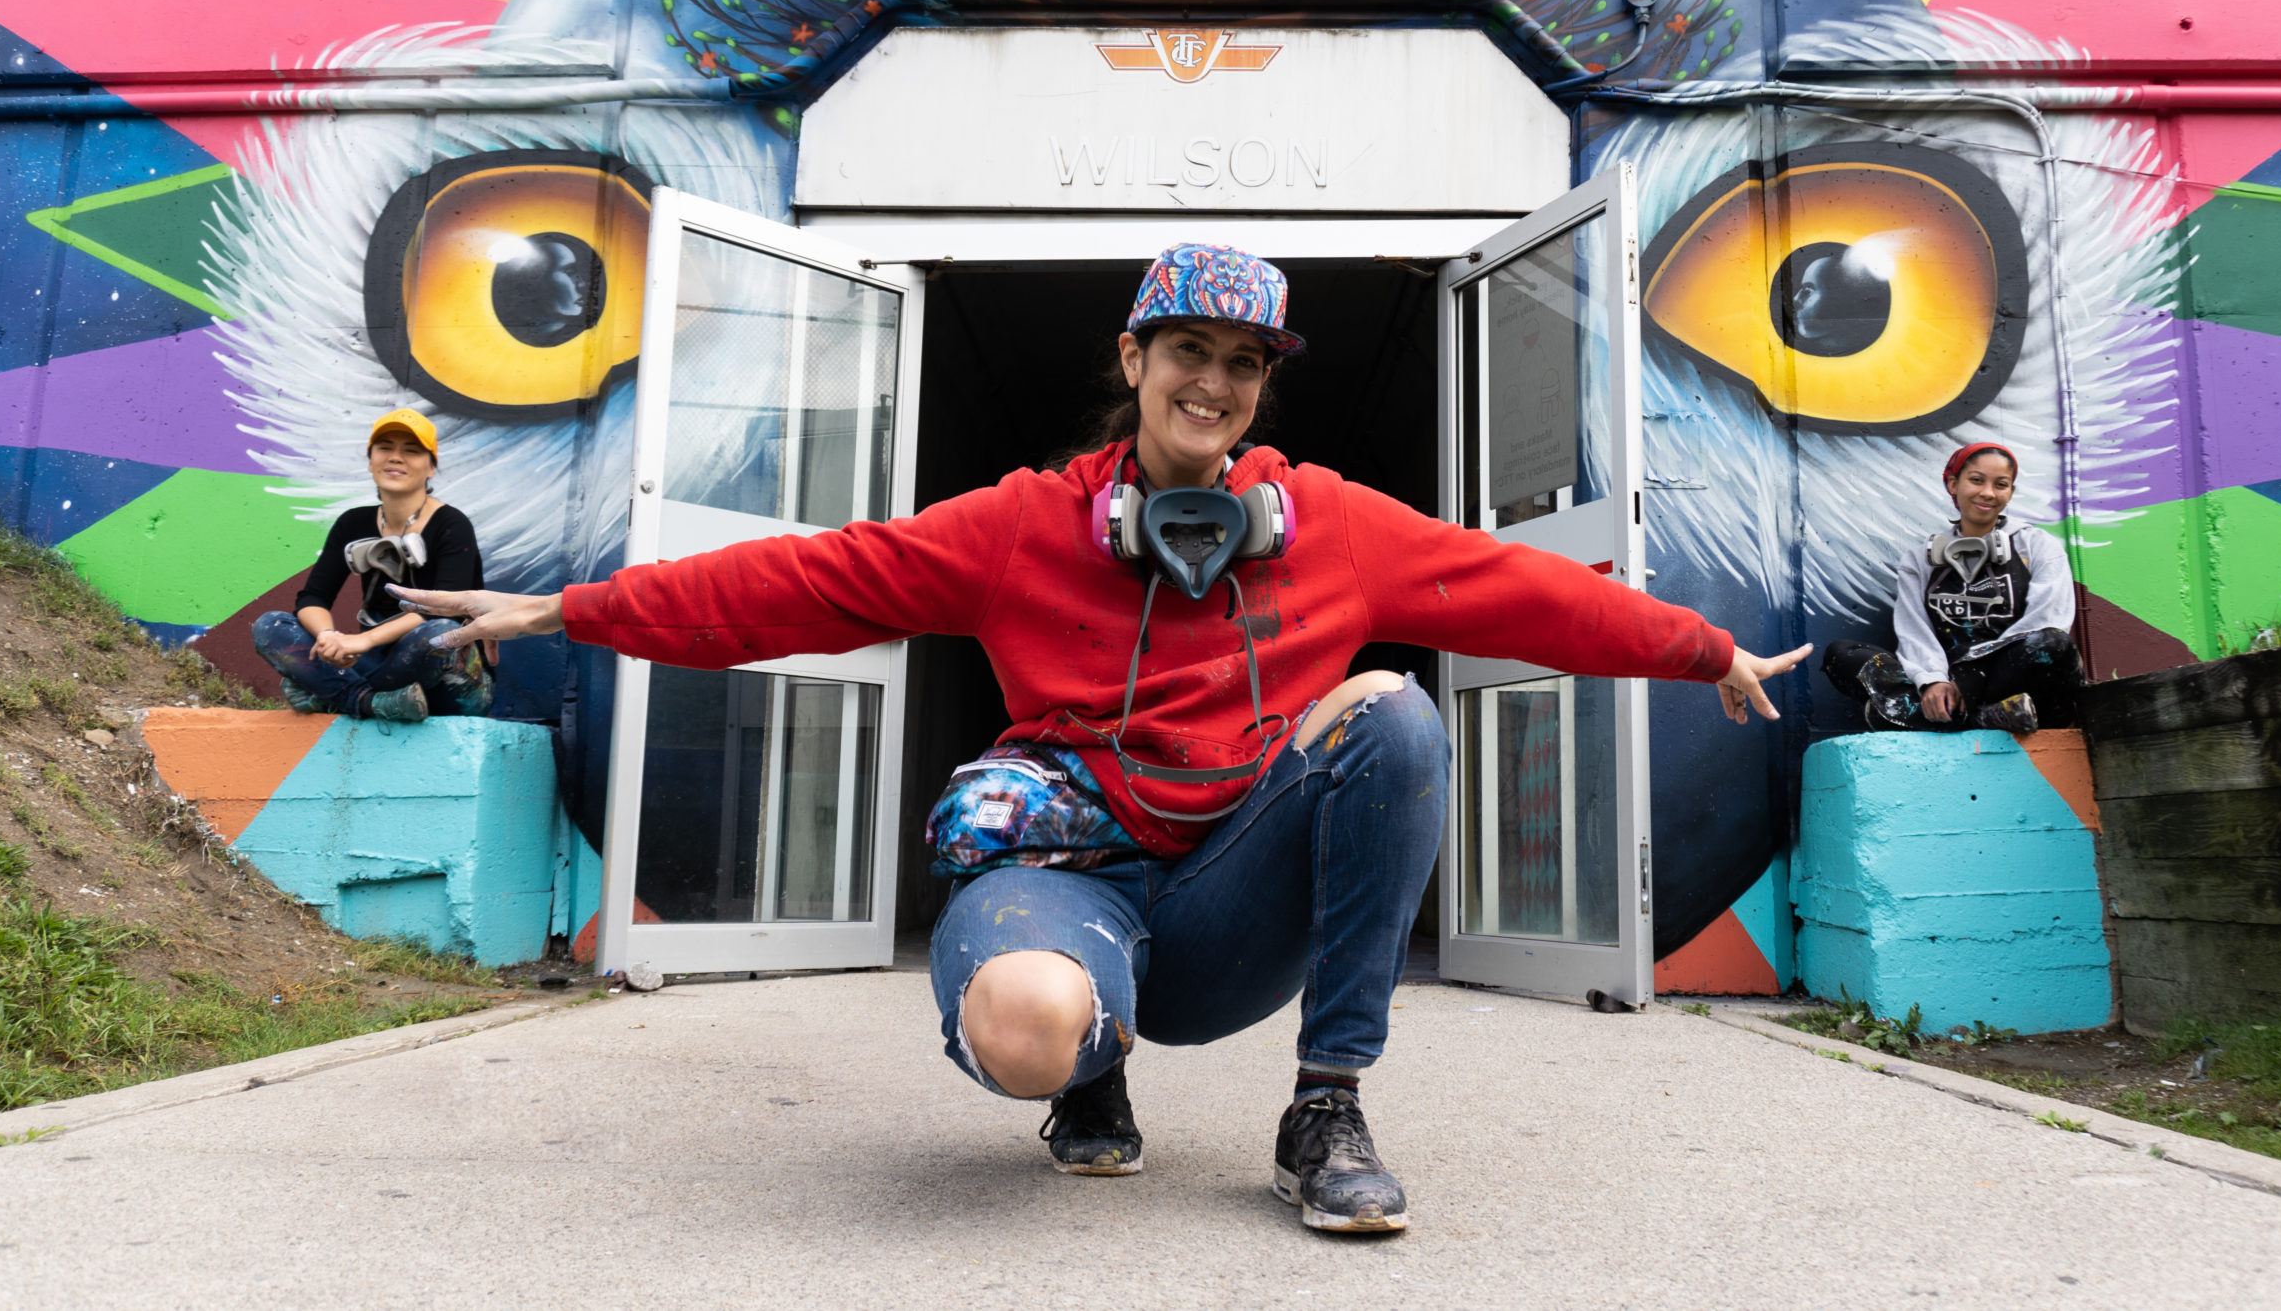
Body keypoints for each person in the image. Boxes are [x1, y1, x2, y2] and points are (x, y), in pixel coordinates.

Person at [397, 244, 1807, 1234]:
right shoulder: (1020, 523)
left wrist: (1703, 646)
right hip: (1067, 867)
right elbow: (796, 579)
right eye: (1190, 349)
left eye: (1245, 362)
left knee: (1395, 715)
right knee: (1021, 1030)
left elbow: (1528, 590)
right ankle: (1087, 1059)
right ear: (1133, 355)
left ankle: (1326, 1107)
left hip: (1229, 899)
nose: (1216, 382)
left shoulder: (1335, 523)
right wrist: (558, 608)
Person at [1823, 442, 2082, 735]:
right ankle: (1975, 717)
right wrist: (1933, 680)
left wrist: (1969, 679)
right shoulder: (1919, 559)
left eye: (2001, 485)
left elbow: (2047, 620)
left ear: (2010, 492)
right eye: (1976, 480)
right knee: (1841, 654)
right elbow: (1913, 630)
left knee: (2053, 644)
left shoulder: (2037, 546)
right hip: (1946, 683)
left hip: (2004, 677)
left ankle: (1918, 717)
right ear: (1953, 484)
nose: (1988, 492)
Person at [252, 408, 492, 724]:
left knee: (440, 634)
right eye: (385, 448)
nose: (396, 457)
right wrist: (328, 638)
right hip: (378, 667)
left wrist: (362, 641)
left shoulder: (451, 525)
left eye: (411, 451)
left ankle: (329, 693)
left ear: (431, 467)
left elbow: (445, 608)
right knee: (270, 626)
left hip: (452, 684)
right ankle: (367, 702)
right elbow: (312, 599)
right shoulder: (353, 523)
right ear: (370, 461)